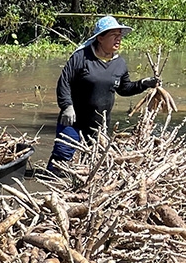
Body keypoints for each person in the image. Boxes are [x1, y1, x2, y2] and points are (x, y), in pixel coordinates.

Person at [49, 15, 160, 169]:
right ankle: (49, 180)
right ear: (100, 38)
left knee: (92, 161)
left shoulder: (119, 63)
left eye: (120, 35)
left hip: (99, 123)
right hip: (73, 119)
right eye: (114, 35)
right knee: (62, 154)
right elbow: (64, 81)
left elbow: (124, 89)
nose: (118, 39)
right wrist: (67, 106)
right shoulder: (81, 57)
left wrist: (143, 84)